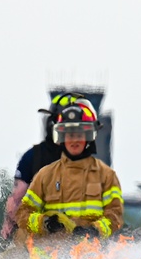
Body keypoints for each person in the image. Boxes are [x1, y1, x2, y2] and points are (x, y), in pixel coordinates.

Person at [14, 99, 123, 240]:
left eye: (79, 134)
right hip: (48, 258)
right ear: (61, 137)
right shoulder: (45, 175)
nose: (74, 140)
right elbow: (24, 214)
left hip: (93, 256)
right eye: (70, 135)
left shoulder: (107, 176)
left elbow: (114, 217)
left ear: (89, 136)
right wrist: (45, 223)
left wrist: (94, 230)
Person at [1, 92, 84, 240]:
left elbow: (15, 198)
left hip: (73, 238)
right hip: (41, 237)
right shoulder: (33, 157)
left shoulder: (32, 156)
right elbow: (17, 198)